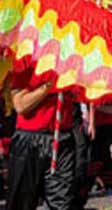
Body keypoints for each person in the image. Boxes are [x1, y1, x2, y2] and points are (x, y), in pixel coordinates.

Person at [7, 70, 76, 210]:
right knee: (22, 202)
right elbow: (20, 105)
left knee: (62, 203)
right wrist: (50, 85)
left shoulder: (73, 64)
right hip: (29, 140)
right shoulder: (26, 64)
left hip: (62, 140)